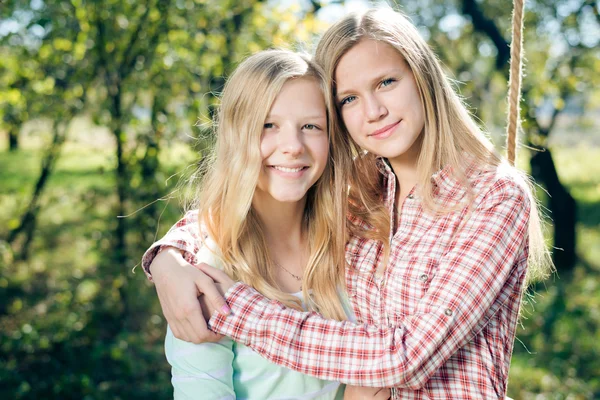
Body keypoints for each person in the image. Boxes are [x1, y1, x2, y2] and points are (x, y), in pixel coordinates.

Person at [146, 8, 553, 400]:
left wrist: (236, 310)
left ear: (423, 77)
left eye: (387, 82)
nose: (374, 112)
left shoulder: (492, 197)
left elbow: (406, 356)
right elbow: (243, 209)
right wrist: (167, 261)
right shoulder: (359, 189)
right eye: (349, 99)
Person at [144, 49, 390, 399]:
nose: (292, 146)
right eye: (268, 126)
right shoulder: (208, 271)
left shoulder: (356, 243)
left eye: (310, 126)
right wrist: (166, 259)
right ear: (236, 136)